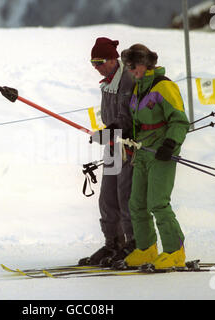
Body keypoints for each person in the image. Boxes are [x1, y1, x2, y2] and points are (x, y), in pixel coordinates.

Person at [114, 44, 190, 270]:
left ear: (147, 64)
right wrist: (129, 134)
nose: (131, 70)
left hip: (161, 151)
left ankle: (175, 251)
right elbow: (139, 120)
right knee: (136, 203)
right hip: (143, 151)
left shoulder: (164, 87)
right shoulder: (139, 88)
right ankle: (147, 248)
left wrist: (170, 143)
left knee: (158, 203)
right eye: (128, 66)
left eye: (133, 65)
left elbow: (179, 120)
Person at [78, 37, 136, 267]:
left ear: (113, 59)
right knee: (107, 197)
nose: (96, 67)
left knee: (125, 195)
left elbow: (128, 118)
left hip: (127, 147)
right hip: (112, 147)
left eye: (99, 61)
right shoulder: (107, 83)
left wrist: (110, 132)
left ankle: (133, 242)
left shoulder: (128, 80)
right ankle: (113, 243)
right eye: (93, 62)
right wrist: (105, 134)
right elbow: (111, 119)